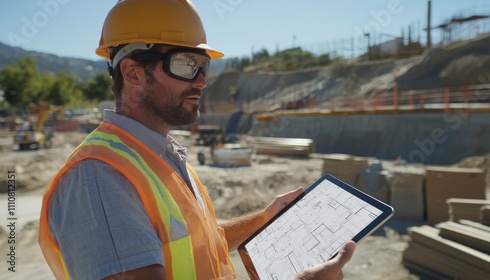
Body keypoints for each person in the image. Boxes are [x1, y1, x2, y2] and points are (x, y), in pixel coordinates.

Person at [38, 0, 355, 279]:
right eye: (186, 65)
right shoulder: (99, 176)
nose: (202, 81)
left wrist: (263, 219)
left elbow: (197, 242)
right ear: (133, 73)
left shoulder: (161, 154)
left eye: (203, 65)